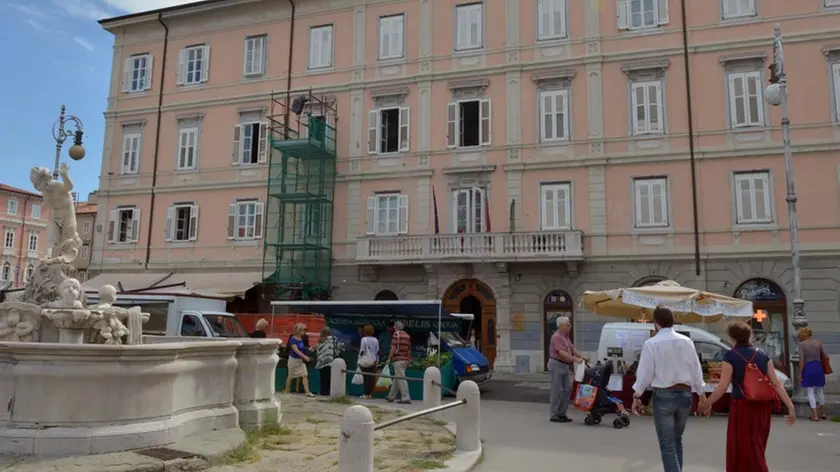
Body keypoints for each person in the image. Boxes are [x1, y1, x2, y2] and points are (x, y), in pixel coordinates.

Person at [698, 321, 795, 472]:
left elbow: (723, 386)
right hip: (762, 406)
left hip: (742, 405)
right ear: (749, 335)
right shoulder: (762, 355)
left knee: (740, 446)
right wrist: (790, 406)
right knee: (757, 446)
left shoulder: (730, 356)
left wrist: (706, 403)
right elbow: (776, 384)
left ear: (732, 338)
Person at [631, 306, 706, 472]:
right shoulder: (686, 341)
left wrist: (637, 395)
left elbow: (645, 373)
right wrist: (701, 394)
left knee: (667, 444)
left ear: (655, 323)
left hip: (664, 394)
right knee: (676, 439)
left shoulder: (651, 343)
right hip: (685, 393)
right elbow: (696, 368)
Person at [548, 316, 584, 423]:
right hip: (556, 364)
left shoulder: (565, 336)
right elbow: (561, 353)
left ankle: (562, 413)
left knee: (568, 388)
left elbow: (571, 348)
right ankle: (554, 414)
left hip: (564, 365)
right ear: (562, 326)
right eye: (568, 325)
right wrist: (575, 360)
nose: (570, 326)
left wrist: (581, 356)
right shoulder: (556, 337)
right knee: (557, 390)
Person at [797, 327, 828, 421]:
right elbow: (825, 356)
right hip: (818, 366)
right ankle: (822, 413)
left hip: (808, 367)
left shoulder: (801, 345)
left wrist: (801, 373)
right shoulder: (818, 342)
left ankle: (814, 415)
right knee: (820, 391)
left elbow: (801, 360)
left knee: (810, 391)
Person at [284, 323, 314, 397]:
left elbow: (302, 349)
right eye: (303, 330)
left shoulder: (301, 338)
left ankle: (307, 392)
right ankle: (286, 391)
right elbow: (296, 350)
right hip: (293, 360)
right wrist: (305, 357)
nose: (304, 331)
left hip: (300, 361)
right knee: (290, 376)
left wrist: (310, 349)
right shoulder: (293, 339)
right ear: (299, 330)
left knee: (304, 375)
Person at [386, 321, 412, 404]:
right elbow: (409, 348)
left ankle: (406, 398)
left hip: (398, 359)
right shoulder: (407, 335)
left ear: (395, 327)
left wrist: (389, 358)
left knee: (401, 379)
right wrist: (408, 359)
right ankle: (391, 396)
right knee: (397, 378)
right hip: (404, 359)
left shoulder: (396, 335)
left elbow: (393, 347)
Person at [315, 327, 343, 396]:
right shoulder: (334, 339)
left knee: (323, 378)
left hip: (322, 362)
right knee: (330, 378)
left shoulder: (320, 340)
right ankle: (330, 392)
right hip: (331, 361)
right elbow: (339, 348)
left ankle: (323, 392)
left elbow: (318, 350)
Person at [358, 324, 380, 399]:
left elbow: (362, 350)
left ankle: (365, 393)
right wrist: (377, 361)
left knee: (365, 377)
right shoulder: (376, 340)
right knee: (371, 378)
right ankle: (370, 394)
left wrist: (359, 359)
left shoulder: (363, 339)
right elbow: (378, 352)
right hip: (373, 361)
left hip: (365, 360)